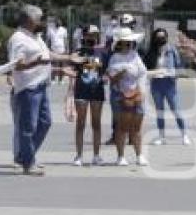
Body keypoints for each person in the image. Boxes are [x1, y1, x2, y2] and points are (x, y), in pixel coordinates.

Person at [8, 5, 53, 176]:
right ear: (29, 20)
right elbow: (17, 64)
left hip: (41, 85)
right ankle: (28, 162)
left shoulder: (35, 37)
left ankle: (25, 155)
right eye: (38, 18)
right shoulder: (19, 38)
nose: (41, 22)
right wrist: (36, 63)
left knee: (45, 122)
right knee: (28, 127)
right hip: (28, 88)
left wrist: (68, 59)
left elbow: (47, 55)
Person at [107, 26, 148, 166]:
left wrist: (142, 90)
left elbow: (142, 73)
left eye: (130, 41)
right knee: (121, 127)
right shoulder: (115, 58)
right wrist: (121, 73)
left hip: (136, 94)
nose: (129, 43)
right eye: (126, 41)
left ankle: (139, 155)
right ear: (120, 43)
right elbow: (112, 79)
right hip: (120, 95)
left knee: (137, 127)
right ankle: (121, 156)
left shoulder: (135, 55)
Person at [68, 25, 107, 166]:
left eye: (95, 34)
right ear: (84, 35)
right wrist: (73, 73)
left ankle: (96, 155)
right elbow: (70, 69)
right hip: (82, 89)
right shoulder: (78, 52)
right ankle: (78, 156)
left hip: (97, 90)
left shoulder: (102, 52)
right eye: (90, 34)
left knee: (96, 123)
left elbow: (106, 70)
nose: (92, 37)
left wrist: (106, 77)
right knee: (81, 123)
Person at [145, 28, 190, 146]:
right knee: (159, 111)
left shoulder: (172, 50)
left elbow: (179, 66)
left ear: (166, 38)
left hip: (169, 84)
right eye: (158, 37)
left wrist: (173, 73)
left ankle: (184, 135)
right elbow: (146, 69)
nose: (161, 39)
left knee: (176, 110)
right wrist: (154, 72)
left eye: (163, 37)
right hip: (156, 84)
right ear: (155, 39)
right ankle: (161, 136)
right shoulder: (151, 52)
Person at [47, 18, 68, 84]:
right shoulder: (50, 30)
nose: (58, 23)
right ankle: (53, 79)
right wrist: (48, 49)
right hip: (53, 50)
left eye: (59, 22)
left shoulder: (64, 30)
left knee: (61, 65)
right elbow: (48, 40)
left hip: (62, 50)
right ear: (55, 23)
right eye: (57, 22)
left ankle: (61, 79)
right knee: (53, 65)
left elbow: (65, 40)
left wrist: (66, 49)